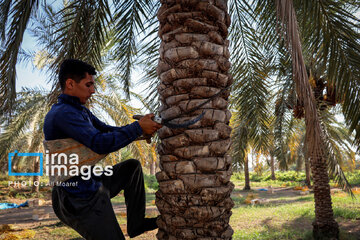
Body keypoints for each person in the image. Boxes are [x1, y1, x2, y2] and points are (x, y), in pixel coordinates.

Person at [43, 59, 162, 239]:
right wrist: (138, 128)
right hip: (76, 196)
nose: (93, 90)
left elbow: (107, 130)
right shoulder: (63, 113)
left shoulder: (79, 111)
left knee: (132, 168)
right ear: (70, 84)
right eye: (88, 84)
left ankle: (136, 224)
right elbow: (100, 143)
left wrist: (140, 129)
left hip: (89, 182)